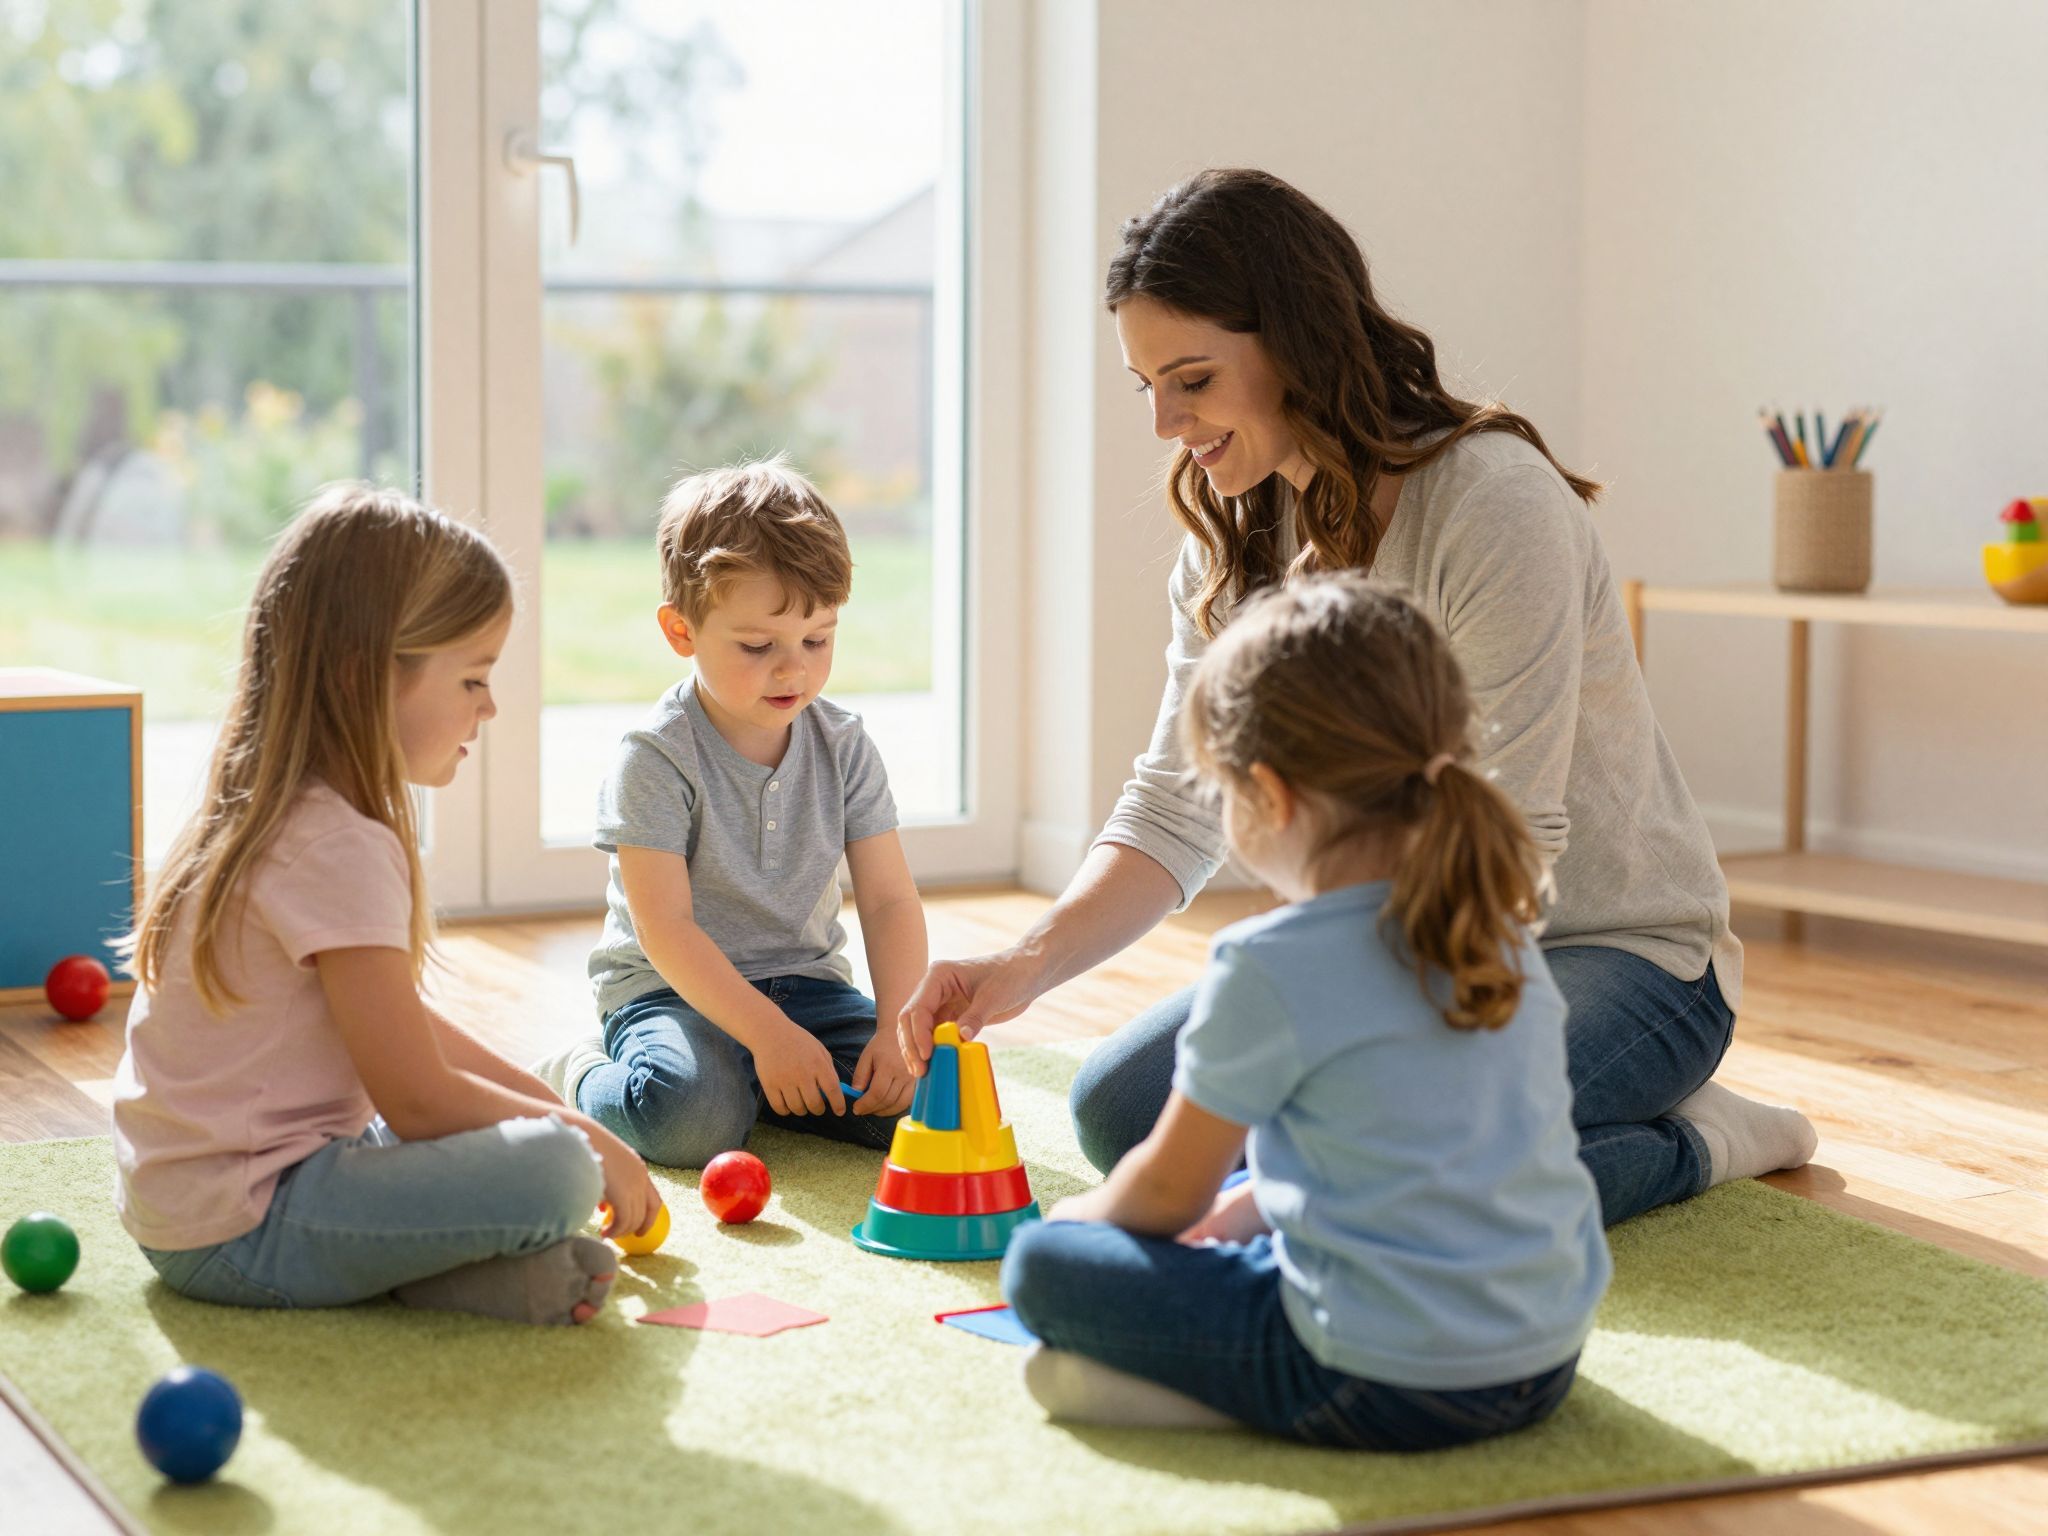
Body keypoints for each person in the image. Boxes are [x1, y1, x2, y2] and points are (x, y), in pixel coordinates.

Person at [905, 168, 1814, 1226]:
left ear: (1291, 343)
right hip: (1375, 944)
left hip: (1612, 952)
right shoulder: (1233, 535)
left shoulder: (1490, 503)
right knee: (1120, 1113)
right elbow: (1174, 806)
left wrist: (1321, 1093)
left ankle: (1698, 1137)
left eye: (1190, 379)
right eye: (1144, 383)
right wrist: (1017, 967)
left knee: (1380, 1157)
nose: (1162, 421)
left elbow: (1506, 854)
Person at [1004, 576, 1608, 1442]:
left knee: (1045, 1265)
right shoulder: (1499, 933)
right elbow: (1436, 1153)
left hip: (1377, 1378)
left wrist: (1079, 1218)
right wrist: (1236, 1215)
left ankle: (1198, 1400)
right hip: (1543, 1359)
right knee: (1261, 1182)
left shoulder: (1269, 965)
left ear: (1273, 797)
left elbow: (1169, 1190)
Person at [114, 484, 659, 1326]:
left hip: (200, 1206)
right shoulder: (336, 842)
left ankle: (447, 1279)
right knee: (555, 1171)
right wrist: (589, 1141)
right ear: (365, 678)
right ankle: (419, 1260)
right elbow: (419, 1100)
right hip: (246, 1224)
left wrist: (556, 1109)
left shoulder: (276, 806)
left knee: (516, 1142)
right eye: (473, 678)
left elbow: (405, 1035)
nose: (491, 705)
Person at [532, 459, 926, 1168]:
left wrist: (896, 1027)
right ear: (681, 632)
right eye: (757, 646)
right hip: (674, 993)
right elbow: (666, 930)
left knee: (926, 1106)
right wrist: (767, 1037)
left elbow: (892, 899)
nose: (793, 670)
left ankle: (770, 1085)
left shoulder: (845, 745)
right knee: (692, 1121)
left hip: (807, 987)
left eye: (817, 639)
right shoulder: (654, 757)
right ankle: (586, 1072)